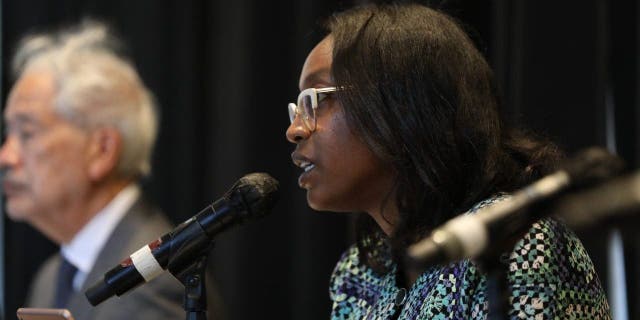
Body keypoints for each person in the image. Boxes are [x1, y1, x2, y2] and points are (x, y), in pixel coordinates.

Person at [286, 3, 611, 319]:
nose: (295, 129)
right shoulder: (359, 273)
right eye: (296, 109)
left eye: (315, 100)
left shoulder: (518, 240)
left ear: (403, 105)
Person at [0, 22, 223, 319]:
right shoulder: (53, 275)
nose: (5, 157)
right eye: (7, 134)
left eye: (26, 133)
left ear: (102, 150)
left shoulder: (155, 285)